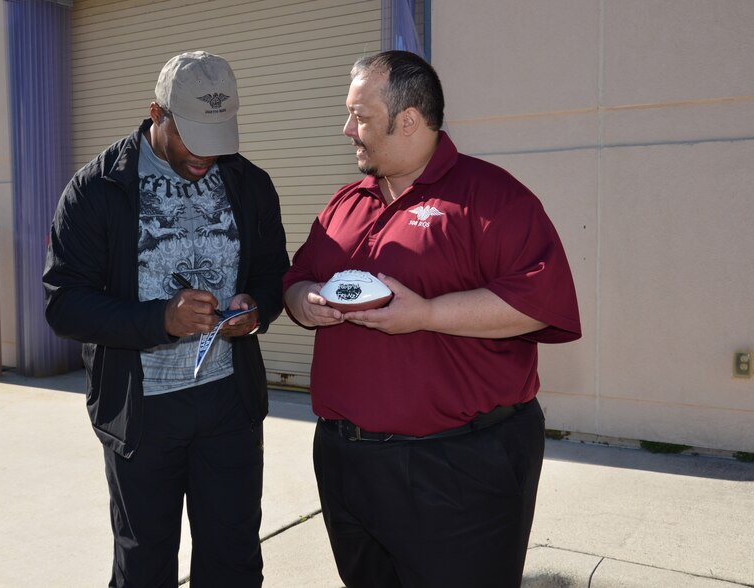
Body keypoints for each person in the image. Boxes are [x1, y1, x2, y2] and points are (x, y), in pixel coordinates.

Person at [283, 50, 581, 587]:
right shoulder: (344, 204)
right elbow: (299, 277)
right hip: (347, 461)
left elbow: (539, 301)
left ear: (409, 121)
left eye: (361, 116)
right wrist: (304, 300)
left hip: (457, 466)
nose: (347, 128)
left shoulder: (491, 199)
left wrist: (426, 314)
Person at [43, 51, 289, 588]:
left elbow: (275, 272)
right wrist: (161, 321)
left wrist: (258, 309)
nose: (207, 154)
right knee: (144, 569)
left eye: (219, 135)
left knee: (234, 561)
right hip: (142, 413)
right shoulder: (96, 190)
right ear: (157, 114)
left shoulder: (248, 183)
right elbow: (63, 303)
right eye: (193, 136)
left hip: (229, 403)